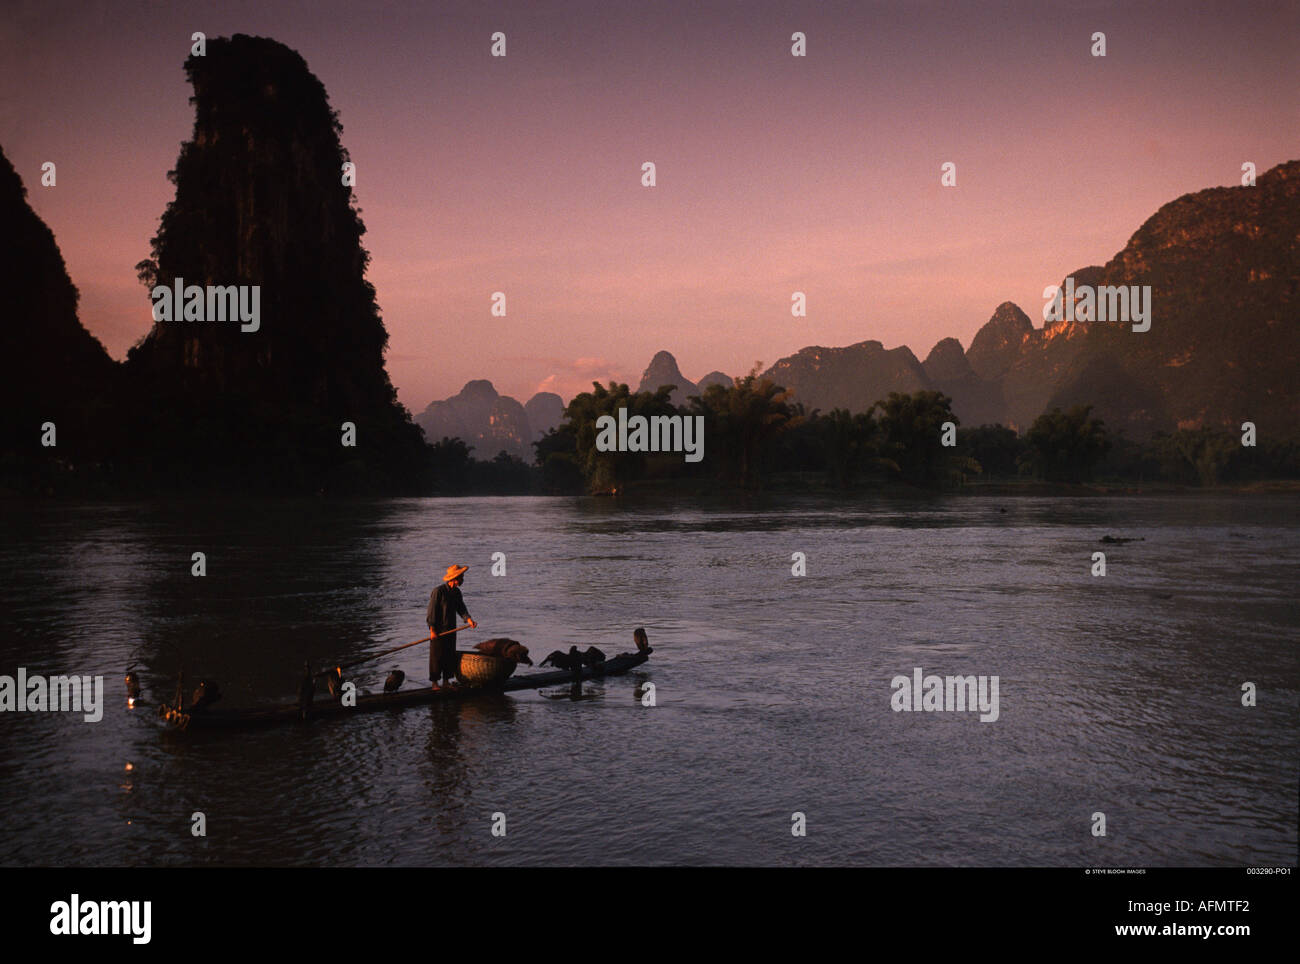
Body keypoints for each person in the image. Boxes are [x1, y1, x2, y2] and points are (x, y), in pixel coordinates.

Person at [427, 564, 476, 689]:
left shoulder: (456, 592)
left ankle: (446, 681)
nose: (463, 579)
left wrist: (469, 620)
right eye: (461, 577)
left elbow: (461, 608)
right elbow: (432, 612)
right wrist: (432, 630)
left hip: (451, 628)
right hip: (438, 630)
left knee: (449, 655)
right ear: (455, 578)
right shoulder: (438, 591)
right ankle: (434, 683)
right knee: (436, 656)